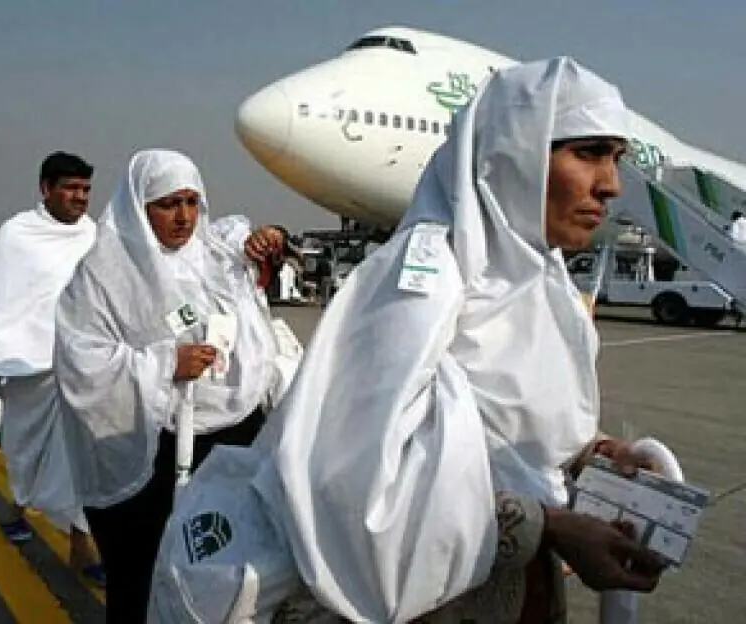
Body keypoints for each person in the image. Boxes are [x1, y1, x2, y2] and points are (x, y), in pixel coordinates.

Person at [253, 57, 668, 623]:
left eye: (616, 158)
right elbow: (357, 486)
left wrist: (597, 455)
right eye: (587, 152)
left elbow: (520, 434)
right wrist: (549, 526)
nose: (611, 184)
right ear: (513, 154)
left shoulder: (546, 289)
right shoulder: (422, 280)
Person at [54, 148, 290, 623]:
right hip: (150, 450)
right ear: (139, 205)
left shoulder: (215, 255)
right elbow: (82, 362)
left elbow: (247, 245)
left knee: (219, 561)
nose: (183, 217)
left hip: (228, 432)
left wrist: (271, 238)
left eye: (191, 202)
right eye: (167, 204)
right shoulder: (104, 273)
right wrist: (164, 364)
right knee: (141, 570)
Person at [0, 152, 102, 577]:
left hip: (80, 366)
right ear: (45, 188)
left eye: (85, 190)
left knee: (80, 455)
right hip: (27, 363)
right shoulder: (16, 235)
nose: (80, 198)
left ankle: (82, 541)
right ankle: (18, 507)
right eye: (71, 188)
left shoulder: (94, 234)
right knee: (25, 449)